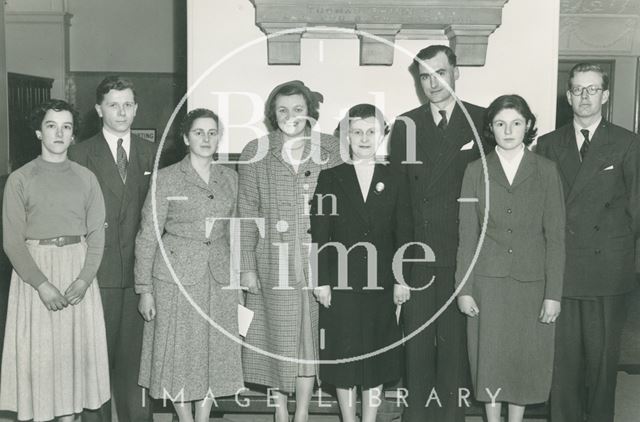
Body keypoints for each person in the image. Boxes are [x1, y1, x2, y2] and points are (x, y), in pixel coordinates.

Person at [388, 44, 491, 421]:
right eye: (424, 76)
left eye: (440, 73)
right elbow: (400, 202)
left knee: (455, 351)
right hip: (416, 256)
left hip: (463, 253)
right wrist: (398, 268)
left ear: (456, 72)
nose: (432, 83)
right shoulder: (405, 124)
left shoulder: (483, 121)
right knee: (414, 349)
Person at [536, 63, 640, 422]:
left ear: (605, 96)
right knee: (563, 368)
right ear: (568, 96)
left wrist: (625, 262)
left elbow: (636, 211)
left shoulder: (627, 143)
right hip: (564, 269)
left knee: (601, 366)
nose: (584, 96)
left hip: (607, 271)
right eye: (578, 89)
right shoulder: (548, 144)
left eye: (592, 89)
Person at [455, 95, 565, 422]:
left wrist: (553, 295)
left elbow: (556, 238)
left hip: (532, 285)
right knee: (490, 363)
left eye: (516, 123)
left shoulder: (546, 170)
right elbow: (467, 237)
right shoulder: (475, 171)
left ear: (528, 125)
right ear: (490, 128)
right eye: (500, 124)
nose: (508, 130)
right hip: (488, 285)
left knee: (523, 363)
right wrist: (464, 289)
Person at [238, 80, 342, 422]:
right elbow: (247, 214)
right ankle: (280, 409)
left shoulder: (332, 148)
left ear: (310, 111)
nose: (291, 116)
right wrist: (247, 266)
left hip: (318, 259)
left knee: (308, 340)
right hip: (273, 260)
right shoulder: (256, 151)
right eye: (282, 110)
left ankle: (301, 413)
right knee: (277, 336)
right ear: (272, 114)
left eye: (298, 109)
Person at [0, 99, 109, 421]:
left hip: (78, 275)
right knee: (42, 372)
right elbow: (11, 242)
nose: (59, 133)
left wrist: (84, 280)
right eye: (51, 125)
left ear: (74, 135)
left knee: (73, 374)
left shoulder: (86, 178)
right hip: (35, 278)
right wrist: (42, 285)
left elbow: (96, 236)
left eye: (66, 127)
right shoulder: (20, 179)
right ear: (38, 131)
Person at [135, 108, 244, 422]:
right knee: (180, 355)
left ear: (219, 136)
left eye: (212, 132)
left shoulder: (230, 178)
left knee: (213, 352)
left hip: (219, 278)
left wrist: (239, 280)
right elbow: (148, 235)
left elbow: (237, 230)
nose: (206, 138)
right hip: (175, 279)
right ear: (185, 138)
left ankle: (204, 416)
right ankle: (185, 418)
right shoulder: (167, 178)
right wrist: (145, 289)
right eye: (199, 132)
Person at [310, 104, 411, 422]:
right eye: (357, 131)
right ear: (346, 136)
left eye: (371, 131)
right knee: (344, 357)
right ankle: (348, 418)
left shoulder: (395, 178)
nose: (364, 138)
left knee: (376, 357)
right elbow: (321, 235)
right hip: (341, 284)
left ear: (382, 134)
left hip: (380, 284)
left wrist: (401, 279)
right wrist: (321, 280)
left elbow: (404, 233)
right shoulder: (330, 178)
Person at [68, 76, 157, 422]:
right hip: (96, 275)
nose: (121, 112)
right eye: (113, 105)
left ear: (136, 108)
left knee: (136, 371)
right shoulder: (79, 154)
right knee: (95, 367)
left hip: (139, 277)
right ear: (99, 109)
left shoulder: (153, 153)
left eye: (127, 104)